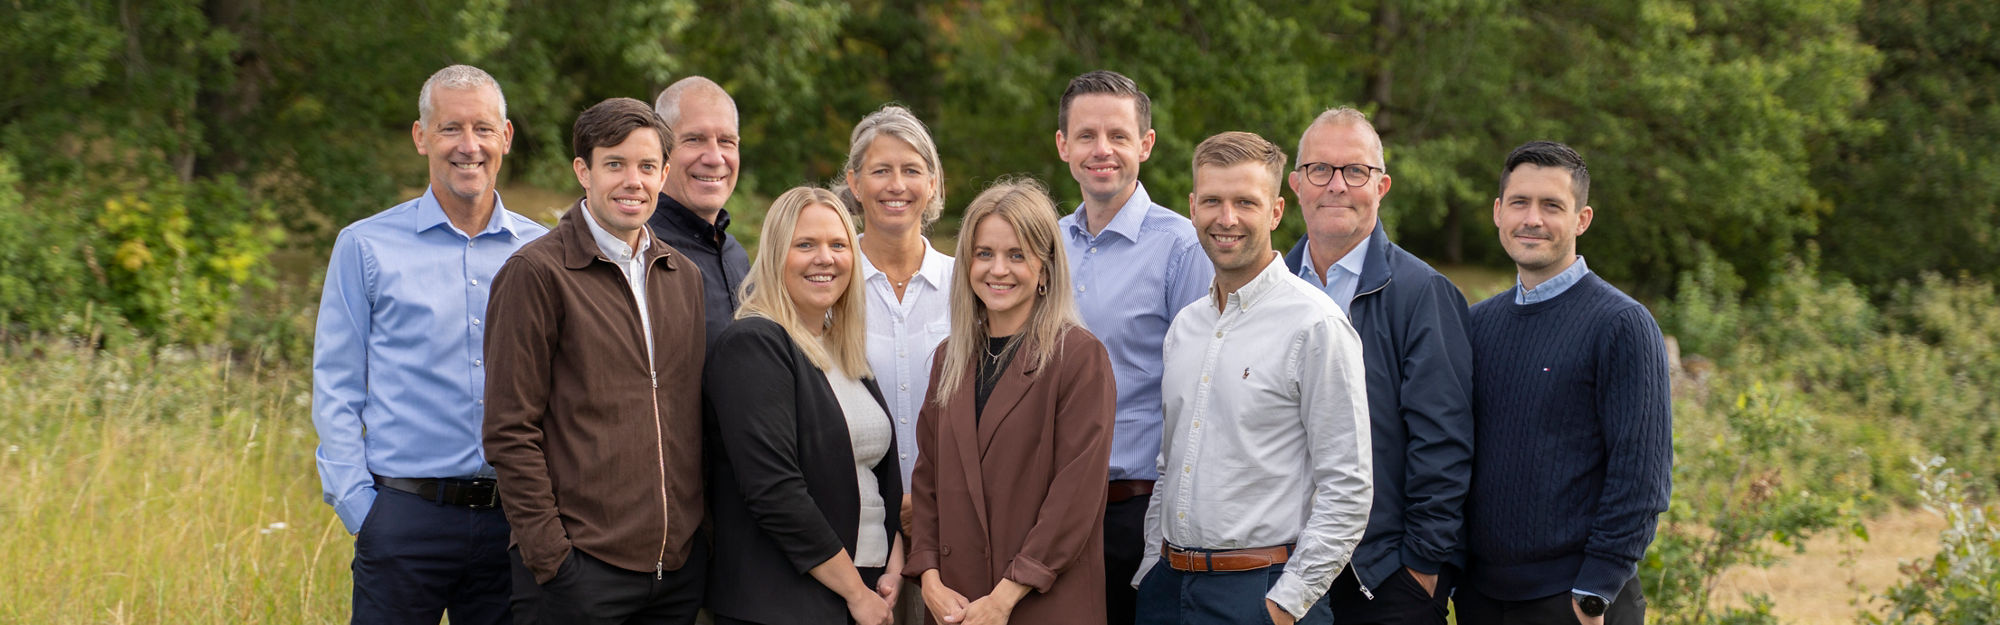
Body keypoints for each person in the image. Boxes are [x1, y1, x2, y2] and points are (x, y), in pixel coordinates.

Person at [311, 64, 546, 625]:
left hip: (513, 524)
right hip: (402, 520)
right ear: (422, 138)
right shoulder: (365, 246)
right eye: (450, 129)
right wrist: (360, 507)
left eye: (484, 129)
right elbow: (337, 383)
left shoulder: (543, 252)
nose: (469, 146)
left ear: (506, 137)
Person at [483, 97, 707, 624]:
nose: (634, 181)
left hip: (675, 574)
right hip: (579, 575)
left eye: (647, 167)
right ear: (583, 171)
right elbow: (509, 430)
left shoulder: (684, 276)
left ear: (665, 174)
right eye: (615, 164)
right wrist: (553, 559)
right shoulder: (535, 273)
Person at [1135, 131, 1372, 625]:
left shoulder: (1316, 326)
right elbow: (1168, 464)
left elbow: (1347, 488)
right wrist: (1149, 571)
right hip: (1168, 589)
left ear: (1276, 212)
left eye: (1245, 202)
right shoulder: (1184, 328)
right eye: (1212, 201)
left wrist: (1286, 605)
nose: (1227, 219)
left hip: (1260, 593)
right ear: (1192, 206)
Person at [1454, 141, 1671, 625]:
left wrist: (1596, 590)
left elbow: (1641, 478)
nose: (1533, 218)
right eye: (1520, 202)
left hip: (1575, 602)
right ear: (1497, 212)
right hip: (1482, 598)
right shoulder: (1475, 325)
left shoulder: (1622, 325)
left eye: (1552, 206)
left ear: (1582, 219)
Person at [1281, 107, 1474, 623]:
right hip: (1281, 564)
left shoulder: (1422, 295)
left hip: (1382, 575)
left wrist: (1423, 568)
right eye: (1320, 169)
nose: (1336, 185)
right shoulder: (1270, 290)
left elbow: (1444, 440)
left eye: (1355, 171)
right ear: (1296, 184)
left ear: (1381, 185)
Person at [906, 178, 1118, 624]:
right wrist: (929, 577)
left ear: (1045, 268)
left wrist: (1004, 597)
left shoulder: (1077, 356)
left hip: (1040, 603)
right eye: (984, 254)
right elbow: (927, 482)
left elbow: (1074, 498)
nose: (997, 269)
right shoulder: (949, 358)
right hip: (954, 604)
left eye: (1016, 254)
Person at [1052, 69, 1215, 625]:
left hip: (1138, 510)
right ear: (1063, 146)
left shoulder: (1181, 247)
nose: (1103, 150)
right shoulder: (1045, 244)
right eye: (1087, 136)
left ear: (1145, 145)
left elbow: (1203, 386)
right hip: (1051, 506)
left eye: (1118, 136)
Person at [703, 187, 902, 625]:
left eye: (838, 245)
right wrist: (856, 593)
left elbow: (873, 474)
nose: (825, 258)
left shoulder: (842, 349)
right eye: (805, 245)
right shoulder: (754, 343)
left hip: (863, 591)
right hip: (783, 602)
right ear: (776, 255)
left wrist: (892, 562)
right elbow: (774, 490)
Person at [838, 103, 955, 624]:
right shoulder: (829, 285)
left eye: (911, 170)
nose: (896, 185)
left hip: (954, 530)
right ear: (855, 182)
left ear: (932, 184)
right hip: (856, 530)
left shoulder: (967, 286)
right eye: (880, 170)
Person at [648, 76, 750, 346]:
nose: (715, 158)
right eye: (694, 139)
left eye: (727, 141)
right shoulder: (641, 251)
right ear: (660, 149)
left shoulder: (737, 257)